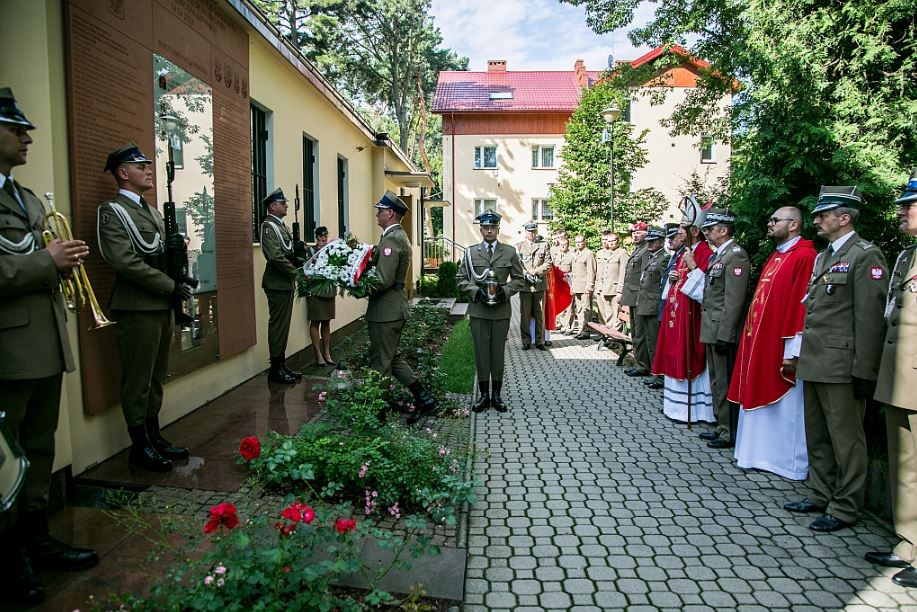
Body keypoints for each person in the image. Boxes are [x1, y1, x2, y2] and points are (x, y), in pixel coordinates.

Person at [0, 87, 98, 607]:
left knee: (38, 446)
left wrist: (61, 259)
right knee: (5, 456)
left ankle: (35, 538)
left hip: (42, 343)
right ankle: (7, 554)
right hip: (8, 351)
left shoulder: (26, 197)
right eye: (14, 127)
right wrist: (47, 261)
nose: (26, 136)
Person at [785, 185, 888, 532]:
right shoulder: (825, 256)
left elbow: (870, 320)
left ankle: (845, 507)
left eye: (823, 214)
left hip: (842, 366)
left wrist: (865, 370)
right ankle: (820, 492)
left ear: (844, 218)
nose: (816, 219)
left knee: (846, 441)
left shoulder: (865, 256)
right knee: (818, 435)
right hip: (816, 360)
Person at [97, 143, 191, 473]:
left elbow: (158, 253)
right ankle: (139, 445)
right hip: (137, 306)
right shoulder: (113, 211)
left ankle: (153, 435)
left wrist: (177, 250)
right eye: (141, 166)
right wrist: (170, 286)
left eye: (148, 165)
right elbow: (125, 261)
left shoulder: (151, 211)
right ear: (123, 173)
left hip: (159, 306)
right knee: (138, 380)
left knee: (155, 376)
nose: (148, 170)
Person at [729, 206, 816, 480]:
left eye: (775, 220)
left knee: (784, 406)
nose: (769, 223)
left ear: (793, 225)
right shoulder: (777, 256)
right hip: (760, 341)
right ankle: (755, 453)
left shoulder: (804, 256)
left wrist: (793, 350)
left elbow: (799, 307)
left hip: (781, 344)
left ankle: (785, 462)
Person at [865, 170, 917, 587]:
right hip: (899, 376)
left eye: (909, 205)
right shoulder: (906, 256)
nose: (900, 211)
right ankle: (908, 543)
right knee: (905, 464)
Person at [366, 191, 436, 425]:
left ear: (391, 213)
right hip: (391, 308)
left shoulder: (392, 239)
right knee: (391, 359)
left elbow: (383, 279)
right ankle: (424, 399)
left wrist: (357, 285)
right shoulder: (396, 236)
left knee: (381, 363)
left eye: (380, 210)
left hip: (386, 310)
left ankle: (377, 414)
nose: (377, 214)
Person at [652, 199, 715, 423]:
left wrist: (694, 267)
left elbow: (708, 291)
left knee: (689, 359)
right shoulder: (686, 253)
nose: (679, 233)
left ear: (695, 231)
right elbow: (678, 282)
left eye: (682, 229)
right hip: (676, 317)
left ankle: (694, 411)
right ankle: (675, 408)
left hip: (693, 319)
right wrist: (673, 279)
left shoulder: (704, 253)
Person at [457, 211, 525, 413]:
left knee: (497, 354)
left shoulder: (509, 252)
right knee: (481, 353)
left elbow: (519, 280)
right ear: (480, 229)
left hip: (500, 311)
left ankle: (496, 395)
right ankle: (483, 395)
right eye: (485, 227)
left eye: (492, 227)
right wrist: (477, 292)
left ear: (498, 229)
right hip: (479, 310)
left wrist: (505, 292)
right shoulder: (471, 253)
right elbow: (461, 279)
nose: (489, 230)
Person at [697, 208, 750, 449]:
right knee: (717, 381)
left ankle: (728, 431)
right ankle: (720, 425)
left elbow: (734, 300)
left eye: (710, 229)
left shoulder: (735, 256)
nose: (706, 233)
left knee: (725, 381)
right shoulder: (719, 255)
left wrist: (726, 333)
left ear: (724, 229)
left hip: (722, 331)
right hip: (711, 328)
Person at [257, 188, 300, 385]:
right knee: (278, 327)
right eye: (283, 203)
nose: (286, 206)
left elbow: (287, 251)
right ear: (273, 206)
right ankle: (275, 368)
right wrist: (295, 272)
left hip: (285, 283)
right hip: (277, 284)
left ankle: (281, 364)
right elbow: (275, 256)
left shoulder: (281, 226)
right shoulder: (268, 226)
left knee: (283, 327)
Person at [633, 227, 669, 389]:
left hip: (653, 305)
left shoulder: (664, 258)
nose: (650, 244)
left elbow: (664, 284)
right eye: (649, 241)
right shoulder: (652, 257)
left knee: (654, 342)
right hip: (644, 303)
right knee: (647, 339)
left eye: (653, 241)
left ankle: (659, 376)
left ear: (661, 242)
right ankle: (650, 370)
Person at [516, 221, 552, 350]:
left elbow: (548, 263)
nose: (531, 233)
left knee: (540, 314)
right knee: (525, 315)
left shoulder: (544, 245)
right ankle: (526, 341)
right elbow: (516, 264)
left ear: (536, 232)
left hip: (539, 284)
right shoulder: (519, 246)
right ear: (525, 232)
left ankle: (539, 341)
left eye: (533, 231)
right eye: (529, 231)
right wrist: (525, 273)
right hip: (525, 285)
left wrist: (535, 271)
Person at [305, 226, 336, 367]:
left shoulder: (332, 250)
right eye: (320, 236)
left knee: (326, 321)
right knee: (315, 321)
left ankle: (327, 352)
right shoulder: (311, 251)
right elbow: (305, 270)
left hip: (328, 289)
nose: (323, 239)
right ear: (316, 237)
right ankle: (318, 354)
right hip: (315, 290)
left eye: (325, 236)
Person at [620, 221, 648, 374]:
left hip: (639, 298)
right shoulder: (638, 250)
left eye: (639, 232)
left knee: (640, 334)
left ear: (647, 234)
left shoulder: (646, 251)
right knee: (636, 333)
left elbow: (645, 277)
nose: (635, 235)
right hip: (633, 298)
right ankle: (639, 363)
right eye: (634, 233)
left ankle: (643, 365)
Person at [595, 230, 627, 332]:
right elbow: (600, 272)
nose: (611, 243)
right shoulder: (605, 253)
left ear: (618, 241)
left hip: (615, 289)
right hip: (604, 288)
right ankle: (609, 335)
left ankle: (615, 337)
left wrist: (620, 290)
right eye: (609, 241)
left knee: (616, 315)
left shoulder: (622, 253)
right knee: (607, 315)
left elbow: (623, 273)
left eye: (613, 240)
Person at [570, 234, 596, 340]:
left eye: (580, 242)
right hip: (577, 286)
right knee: (579, 309)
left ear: (584, 242)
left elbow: (591, 271)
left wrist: (590, 286)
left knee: (586, 309)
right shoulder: (575, 254)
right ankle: (581, 329)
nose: (578, 244)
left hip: (585, 286)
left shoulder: (588, 254)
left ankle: (586, 330)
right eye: (576, 242)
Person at [551, 234, 575, 334]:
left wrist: (568, 275)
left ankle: (568, 327)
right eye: (561, 245)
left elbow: (575, 269)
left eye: (565, 245)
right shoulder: (556, 254)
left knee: (569, 305)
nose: (563, 246)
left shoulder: (572, 255)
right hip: (557, 283)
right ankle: (559, 323)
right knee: (559, 302)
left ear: (568, 245)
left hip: (567, 282)